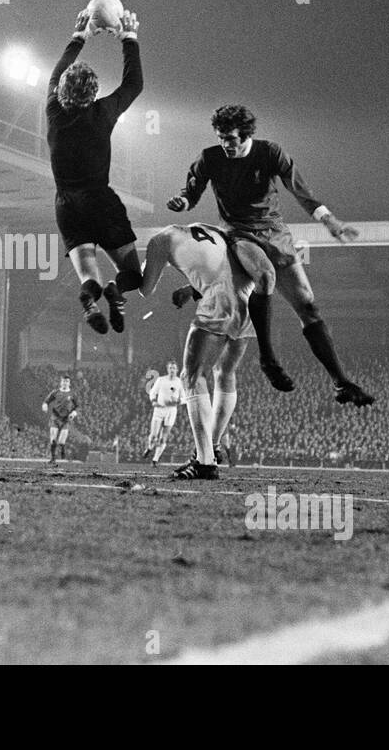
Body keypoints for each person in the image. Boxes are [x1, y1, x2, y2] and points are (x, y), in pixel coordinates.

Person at [167, 105, 373, 407]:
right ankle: (268, 359)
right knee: (264, 276)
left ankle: (342, 382)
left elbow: (299, 188)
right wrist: (182, 202)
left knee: (309, 308)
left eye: (233, 139)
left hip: (276, 234)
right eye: (222, 138)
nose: (227, 144)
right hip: (240, 233)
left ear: (247, 134)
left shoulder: (269, 153)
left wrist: (330, 221)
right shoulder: (209, 158)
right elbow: (191, 193)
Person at [141, 222, 278, 480]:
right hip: (249, 301)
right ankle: (211, 449)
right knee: (225, 373)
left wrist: (138, 272)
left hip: (218, 300)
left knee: (192, 376)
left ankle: (204, 462)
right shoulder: (212, 231)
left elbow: (145, 288)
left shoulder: (159, 240)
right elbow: (221, 268)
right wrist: (189, 289)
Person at [47, 4, 143, 335]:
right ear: (94, 93)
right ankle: (116, 291)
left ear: (60, 89)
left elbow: (57, 71)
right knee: (134, 275)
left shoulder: (53, 111)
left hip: (66, 205)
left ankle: (91, 297)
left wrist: (80, 36)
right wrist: (128, 38)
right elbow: (134, 85)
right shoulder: (103, 113)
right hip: (101, 203)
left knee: (89, 276)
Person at [142, 362, 185, 466]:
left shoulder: (179, 382)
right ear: (167, 369)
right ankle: (149, 448)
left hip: (171, 411)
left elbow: (184, 398)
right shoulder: (161, 380)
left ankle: (155, 460)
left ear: (177, 370)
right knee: (153, 436)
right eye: (170, 368)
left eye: (174, 368)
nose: (172, 370)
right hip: (159, 409)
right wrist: (153, 401)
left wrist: (177, 401)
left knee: (163, 437)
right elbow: (153, 392)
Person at [42, 375, 79, 463]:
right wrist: (45, 405)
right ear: (61, 382)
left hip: (66, 419)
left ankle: (62, 449)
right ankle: (53, 458)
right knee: (53, 438)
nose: (64, 383)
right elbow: (46, 401)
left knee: (61, 442)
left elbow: (77, 406)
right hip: (55, 417)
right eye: (63, 381)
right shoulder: (55, 392)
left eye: (66, 381)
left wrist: (74, 413)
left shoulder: (72, 394)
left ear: (69, 383)